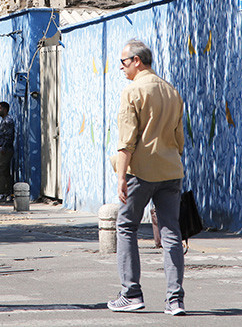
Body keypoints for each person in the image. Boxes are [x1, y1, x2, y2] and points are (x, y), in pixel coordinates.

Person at [108, 39, 186, 316]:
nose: (121, 68)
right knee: (171, 232)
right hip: (171, 170)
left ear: (137, 61)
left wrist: (120, 177)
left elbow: (126, 141)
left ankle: (131, 293)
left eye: (124, 62)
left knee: (126, 227)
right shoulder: (171, 90)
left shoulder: (132, 91)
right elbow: (179, 139)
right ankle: (175, 299)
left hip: (139, 171)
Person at [0, 101, 14, 203]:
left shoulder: (7, 121)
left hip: (5, 150)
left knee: (0, 170)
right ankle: (8, 193)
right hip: (3, 149)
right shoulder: (5, 120)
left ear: (5, 110)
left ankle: (2, 193)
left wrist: (3, 149)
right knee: (5, 171)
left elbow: (9, 136)